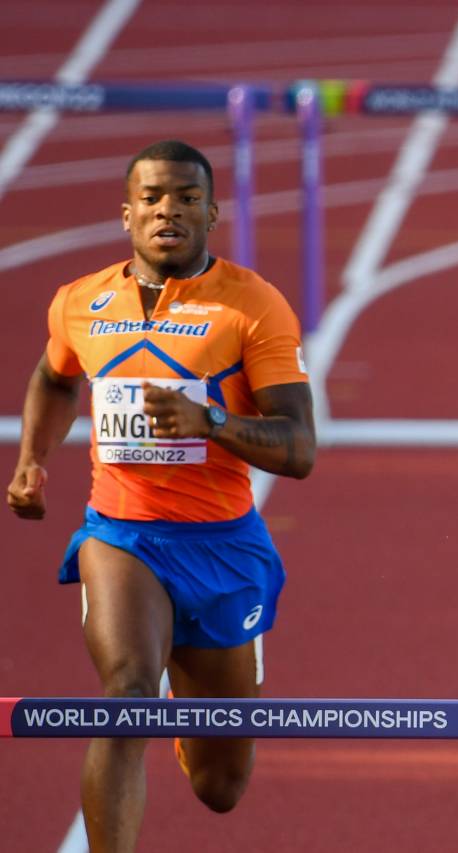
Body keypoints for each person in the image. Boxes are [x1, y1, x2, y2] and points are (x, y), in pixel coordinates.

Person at [6, 140, 315, 850]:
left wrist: (210, 421)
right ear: (126, 215)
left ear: (212, 210)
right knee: (126, 696)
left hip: (223, 544)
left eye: (183, 197)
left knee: (220, 786)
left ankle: (193, 694)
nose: (166, 210)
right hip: (123, 534)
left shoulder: (252, 305)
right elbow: (56, 377)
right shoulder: (80, 302)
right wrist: (32, 460)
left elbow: (299, 448)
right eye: (150, 198)